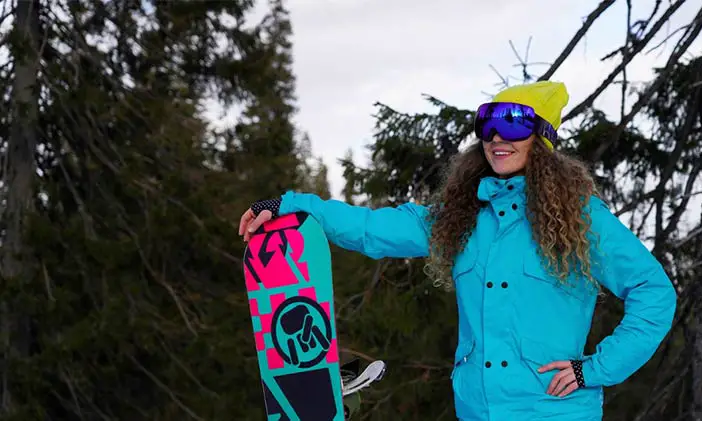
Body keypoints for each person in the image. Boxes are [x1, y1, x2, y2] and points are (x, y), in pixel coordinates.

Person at [238, 81, 677, 421]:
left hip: (553, 411)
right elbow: (373, 228)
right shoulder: (463, 216)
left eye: (512, 124)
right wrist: (298, 206)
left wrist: (594, 370)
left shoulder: (582, 218)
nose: (496, 138)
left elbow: (654, 293)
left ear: (541, 137)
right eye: (487, 125)